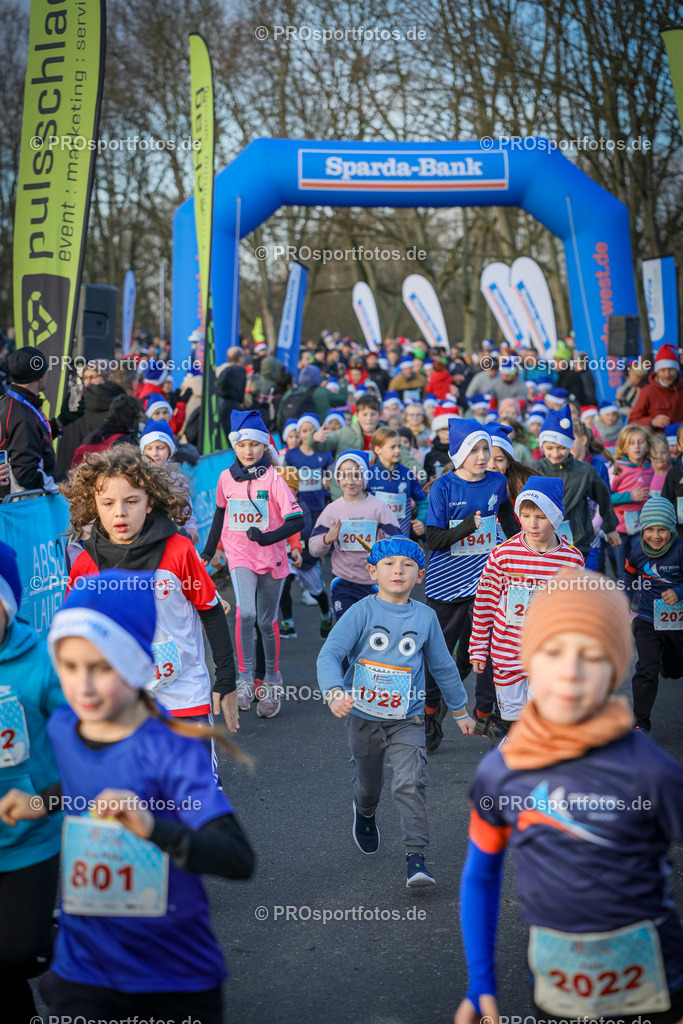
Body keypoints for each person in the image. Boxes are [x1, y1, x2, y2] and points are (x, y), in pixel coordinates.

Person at [0, 572, 255, 1024]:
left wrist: (154, 828)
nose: (84, 687)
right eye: (70, 666)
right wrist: (36, 803)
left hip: (172, 975)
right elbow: (81, 789)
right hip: (86, 970)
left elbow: (238, 858)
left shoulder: (172, 750)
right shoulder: (64, 728)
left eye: (102, 667)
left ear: (138, 664)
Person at [456, 567, 683, 1024]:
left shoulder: (651, 771)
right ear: (529, 659)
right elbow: (481, 876)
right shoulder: (501, 771)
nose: (571, 671)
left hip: (658, 987)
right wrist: (480, 980)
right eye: (553, 651)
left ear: (616, 666)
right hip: (557, 989)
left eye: (592, 654)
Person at [317, 537, 475, 888]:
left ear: (421, 574)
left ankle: (416, 858)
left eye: (407, 564)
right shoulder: (361, 612)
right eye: (389, 564)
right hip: (363, 717)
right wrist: (333, 692)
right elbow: (329, 654)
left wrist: (461, 709)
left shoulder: (426, 616)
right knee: (370, 785)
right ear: (372, 571)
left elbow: (443, 666)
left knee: (409, 782)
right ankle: (366, 810)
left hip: (409, 718)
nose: (398, 570)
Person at [62, 448, 237, 738]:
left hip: (183, 694)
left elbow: (211, 610)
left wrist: (227, 681)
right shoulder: (85, 564)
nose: (119, 512)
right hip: (119, 700)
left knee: (195, 783)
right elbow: (73, 637)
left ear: (149, 503)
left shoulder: (180, 550)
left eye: (131, 501)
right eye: (107, 503)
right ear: (94, 505)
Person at [201, 409, 305, 717]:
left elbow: (296, 520)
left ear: (264, 447)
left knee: (265, 622)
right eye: (242, 444)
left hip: (271, 558)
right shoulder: (224, 479)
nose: (248, 451)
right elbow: (220, 514)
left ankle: (272, 678)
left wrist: (268, 537)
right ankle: (245, 679)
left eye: (255, 445)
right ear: (235, 446)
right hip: (239, 556)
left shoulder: (274, 479)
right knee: (245, 613)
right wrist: (208, 551)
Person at [422, 419, 518, 752]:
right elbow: (433, 539)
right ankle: (430, 712)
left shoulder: (496, 482)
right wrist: (467, 526)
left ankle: (486, 713)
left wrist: (519, 547)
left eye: (485, 449)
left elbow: (507, 519)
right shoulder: (443, 487)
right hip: (446, 584)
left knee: (490, 648)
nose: (482, 457)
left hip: (486, 581)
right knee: (439, 654)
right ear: (459, 453)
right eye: (474, 450)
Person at [0, 541, 65, 1021]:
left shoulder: (43, 660)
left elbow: (87, 759)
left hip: (32, 838)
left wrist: (41, 804)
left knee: (21, 955)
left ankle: (59, 934)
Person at [469, 477, 585, 731]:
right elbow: (485, 603)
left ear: (555, 517)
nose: (532, 524)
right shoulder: (503, 554)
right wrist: (478, 647)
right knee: (513, 725)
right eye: (525, 515)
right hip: (507, 652)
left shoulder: (572, 559)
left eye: (541, 517)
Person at [309, 450, 401, 620]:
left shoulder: (379, 508)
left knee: (372, 632)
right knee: (348, 630)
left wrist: (381, 548)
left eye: (356, 475)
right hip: (343, 582)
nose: (350, 481)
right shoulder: (332, 510)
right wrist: (326, 539)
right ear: (337, 477)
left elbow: (399, 544)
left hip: (374, 582)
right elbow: (313, 548)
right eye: (344, 475)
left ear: (365, 477)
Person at [625, 497, 683, 733]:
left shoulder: (680, 550)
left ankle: (667, 664)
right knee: (646, 670)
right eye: (650, 529)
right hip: (647, 621)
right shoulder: (638, 551)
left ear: (671, 529)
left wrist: (678, 592)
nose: (656, 536)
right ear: (642, 529)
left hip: (677, 624)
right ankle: (640, 722)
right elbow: (629, 575)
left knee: (676, 668)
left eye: (662, 530)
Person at [534, 404, 620, 560]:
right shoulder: (534, 470)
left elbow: (604, 498)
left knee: (577, 584)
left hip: (578, 542)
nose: (556, 453)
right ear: (542, 446)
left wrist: (610, 528)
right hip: (543, 543)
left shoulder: (585, 471)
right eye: (550, 448)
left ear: (569, 445)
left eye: (561, 447)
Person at [310, 393, 422, 496]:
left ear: (380, 415)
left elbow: (406, 458)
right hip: (347, 493)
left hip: (380, 493)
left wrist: (418, 473)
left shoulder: (388, 435)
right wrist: (314, 437)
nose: (369, 418)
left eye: (373, 414)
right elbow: (320, 446)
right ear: (357, 415)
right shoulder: (344, 433)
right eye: (364, 414)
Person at [0, 347, 60, 494]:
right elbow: (26, 474)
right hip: (21, 506)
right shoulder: (21, 414)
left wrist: (60, 422)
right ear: (40, 375)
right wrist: (57, 488)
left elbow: (29, 441)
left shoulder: (9, 402)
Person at [139, 419, 200, 545]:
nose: (154, 453)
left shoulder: (177, 480)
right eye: (149, 448)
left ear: (169, 451)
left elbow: (187, 513)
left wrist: (192, 529)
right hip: (147, 544)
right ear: (143, 451)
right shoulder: (138, 480)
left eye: (160, 448)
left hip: (175, 542)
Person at [609, 424, 654, 580]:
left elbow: (648, 494)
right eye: (631, 443)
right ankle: (624, 597)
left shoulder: (650, 468)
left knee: (640, 562)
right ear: (624, 447)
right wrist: (629, 496)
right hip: (619, 526)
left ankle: (639, 594)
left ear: (647, 445)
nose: (636, 446)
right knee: (623, 566)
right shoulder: (618, 468)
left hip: (640, 525)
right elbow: (606, 498)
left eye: (640, 442)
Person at [367, 427, 427, 539]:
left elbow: (424, 503)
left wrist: (421, 520)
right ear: (378, 450)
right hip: (374, 542)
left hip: (401, 540)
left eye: (399, 446)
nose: (398, 451)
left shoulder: (407, 474)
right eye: (392, 447)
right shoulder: (368, 475)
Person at [629, 344, 683, 432]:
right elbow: (632, 421)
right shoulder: (647, 392)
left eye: (671, 370)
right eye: (663, 370)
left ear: (677, 370)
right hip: (656, 441)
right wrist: (651, 422)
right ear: (657, 371)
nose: (667, 375)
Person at [423, 406, 455, 481]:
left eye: (450, 429)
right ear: (437, 433)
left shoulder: (463, 452)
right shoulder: (429, 454)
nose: (447, 434)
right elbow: (426, 479)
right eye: (443, 430)